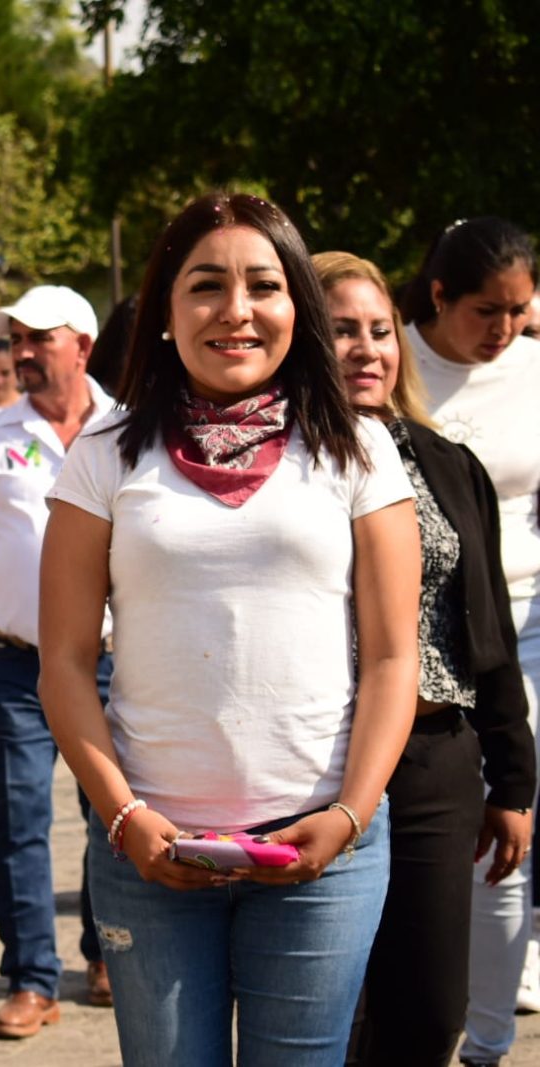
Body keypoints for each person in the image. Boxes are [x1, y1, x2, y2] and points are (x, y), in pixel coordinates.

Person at [40, 192, 420, 1066]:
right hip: (152, 852)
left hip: (321, 847)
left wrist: (352, 814)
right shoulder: (104, 453)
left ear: (299, 309)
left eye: (265, 285)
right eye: (206, 285)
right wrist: (125, 816)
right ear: (166, 313)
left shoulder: (360, 448)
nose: (237, 311)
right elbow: (61, 661)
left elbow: (395, 656)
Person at [316, 251, 535, 1067]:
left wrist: (513, 777)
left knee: (429, 1008)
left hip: (436, 757)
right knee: (324, 1008)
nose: (368, 348)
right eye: (341, 330)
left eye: (380, 330)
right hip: (318, 757)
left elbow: (489, 630)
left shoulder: (448, 465)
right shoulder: (277, 465)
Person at [397, 217, 540, 1067]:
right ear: (438, 296)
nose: (505, 330)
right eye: (487, 310)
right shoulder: (393, 361)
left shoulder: (532, 367)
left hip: (530, 616)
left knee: (518, 823)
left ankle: (490, 1043)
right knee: (482, 835)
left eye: (520, 312)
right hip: (435, 632)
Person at [0, 284, 115, 1038]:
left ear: (81, 346)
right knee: (20, 822)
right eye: (14, 339)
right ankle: (30, 976)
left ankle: (106, 952)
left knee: (112, 814)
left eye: (36, 339)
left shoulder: (130, 429)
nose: (20, 353)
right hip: (12, 665)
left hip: (114, 663)